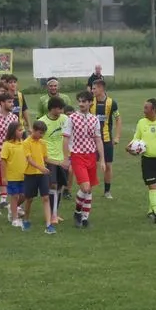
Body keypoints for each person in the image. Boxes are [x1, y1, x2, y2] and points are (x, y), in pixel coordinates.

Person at [62, 91, 105, 228]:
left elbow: (98, 139)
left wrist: (102, 159)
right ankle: (77, 212)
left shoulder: (95, 119)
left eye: (84, 101)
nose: (81, 104)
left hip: (91, 156)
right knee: (85, 187)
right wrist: (66, 157)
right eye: (79, 101)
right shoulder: (72, 118)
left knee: (89, 189)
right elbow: (65, 139)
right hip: (77, 155)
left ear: (90, 102)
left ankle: (85, 218)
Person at [39, 96, 69, 225]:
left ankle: (55, 212)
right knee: (53, 185)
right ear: (52, 108)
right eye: (59, 109)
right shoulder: (42, 122)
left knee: (60, 185)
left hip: (62, 158)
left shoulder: (65, 119)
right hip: (49, 158)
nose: (61, 111)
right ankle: (52, 215)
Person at [90, 79, 122, 199]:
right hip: (92, 140)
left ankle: (107, 191)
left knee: (108, 166)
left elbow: (118, 119)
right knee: (91, 165)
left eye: (94, 88)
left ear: (101, 88)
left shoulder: (111, 103)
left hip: (106, 139)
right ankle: (88, 190)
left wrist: (117, 136)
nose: (92, 90)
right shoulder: (90, 101)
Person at [23, 120, 55, 234]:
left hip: (42, 175)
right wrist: (41, 168)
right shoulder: (26, 143)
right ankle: (26, 219)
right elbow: (29, 160)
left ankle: (49, 225)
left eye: (43, 133)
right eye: (40, 133)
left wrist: (59, 163)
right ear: (34, 130)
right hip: (30, 174)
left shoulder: (43, 143)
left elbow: (45, 158)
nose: (42, 136)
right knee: (29, 199)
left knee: (45, 198)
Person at [0, 122, 26, 228]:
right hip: (12, 176)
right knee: (15, 196)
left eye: (22, 130)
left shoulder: (24, 143)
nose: (22, 132)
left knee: (24, 195)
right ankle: (15, 218)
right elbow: (3, 161)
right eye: (19, 130)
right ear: (13, 132)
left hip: (24, 176)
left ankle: (12, 208)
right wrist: (3, 177)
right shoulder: (7, 145)